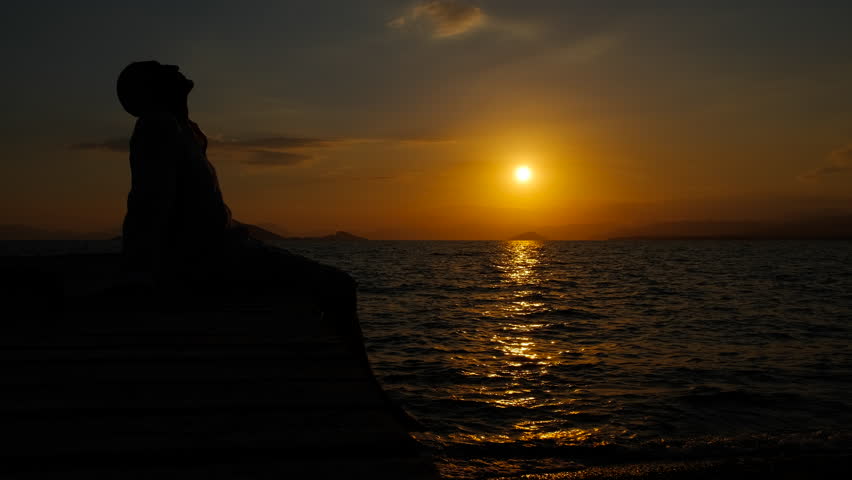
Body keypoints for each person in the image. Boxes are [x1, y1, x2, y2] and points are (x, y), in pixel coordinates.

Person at [114, 61, 356, 324]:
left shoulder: (187, 130)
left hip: (227, 250)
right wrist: (140, 274)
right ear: (152, 88)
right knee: (339, 285)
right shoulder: (157, 126)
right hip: (212, 259)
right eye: (160, 68)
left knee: (324, 284)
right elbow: (147, 204)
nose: (173, 66)